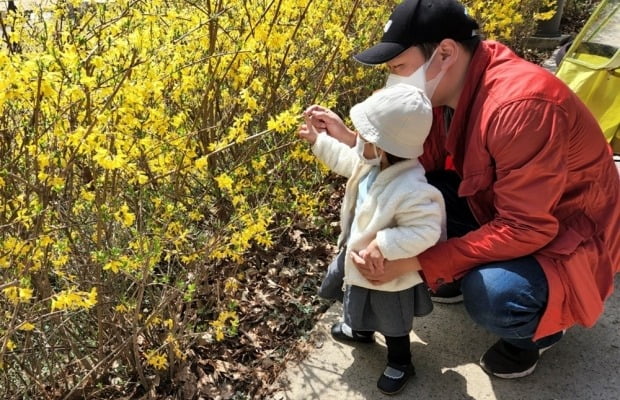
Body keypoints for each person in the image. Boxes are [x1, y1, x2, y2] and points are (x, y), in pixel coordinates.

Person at [304, 0, 620, 380]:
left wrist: (419, 261)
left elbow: (527, 227)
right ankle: (458, 275)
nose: (393, 80)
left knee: (494, 295)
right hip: (502, 204)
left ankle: (539, 329)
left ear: (445, 53)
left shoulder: (520, 106)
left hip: (568, 233)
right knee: (416, 192)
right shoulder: (445, 91)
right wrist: (356, 140)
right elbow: (415, 165)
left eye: (398, 68)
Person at [298, 83, 446, 394]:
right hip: (356, 255)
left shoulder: (412, 187)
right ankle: (361, 332)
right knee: (355, 299)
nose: (357, 142)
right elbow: (346, 159)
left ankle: (401, 361)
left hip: (386, 274)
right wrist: (320, 140)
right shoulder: (372, 163)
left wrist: (385, 244)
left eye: (363, 138)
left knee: (392, 321)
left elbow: (427, 230)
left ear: (381, 146)